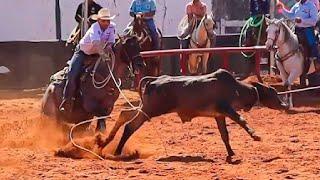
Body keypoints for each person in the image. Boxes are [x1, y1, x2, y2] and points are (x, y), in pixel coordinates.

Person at [59, 8, 116, 113]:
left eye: (108, 21)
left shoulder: (112, 27)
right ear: (98, 20)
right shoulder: (94, 28)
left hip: (97, 54)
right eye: (103, 21)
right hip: (83, 53)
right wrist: (103, 55)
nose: (106, 23)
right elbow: (96, 43)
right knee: (72, 73)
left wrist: (108, 49)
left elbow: (111, 42)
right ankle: (66, 100)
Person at [178, 0, 209, 74]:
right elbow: (190, 17)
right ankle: (184, 58)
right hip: (192, 22)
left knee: (212, 35)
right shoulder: (189, 6)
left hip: (202, 22)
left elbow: (204, 16)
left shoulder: (203, 6)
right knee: (184, 36)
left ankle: (211, 51)